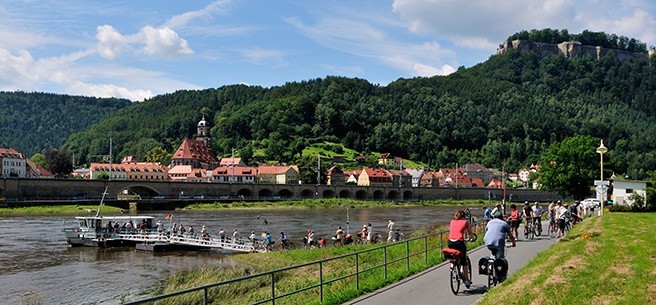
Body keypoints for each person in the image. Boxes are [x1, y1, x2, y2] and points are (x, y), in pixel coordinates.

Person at [448, 210, 475, 288]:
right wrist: (472, 238)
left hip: (450, 242)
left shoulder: (452, 221)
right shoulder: (465, 222)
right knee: (464, 261)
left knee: (454, 255)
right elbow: (470, 232)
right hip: (459, 242)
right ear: (463, 217)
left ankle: (453, 264)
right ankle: (466, 279)